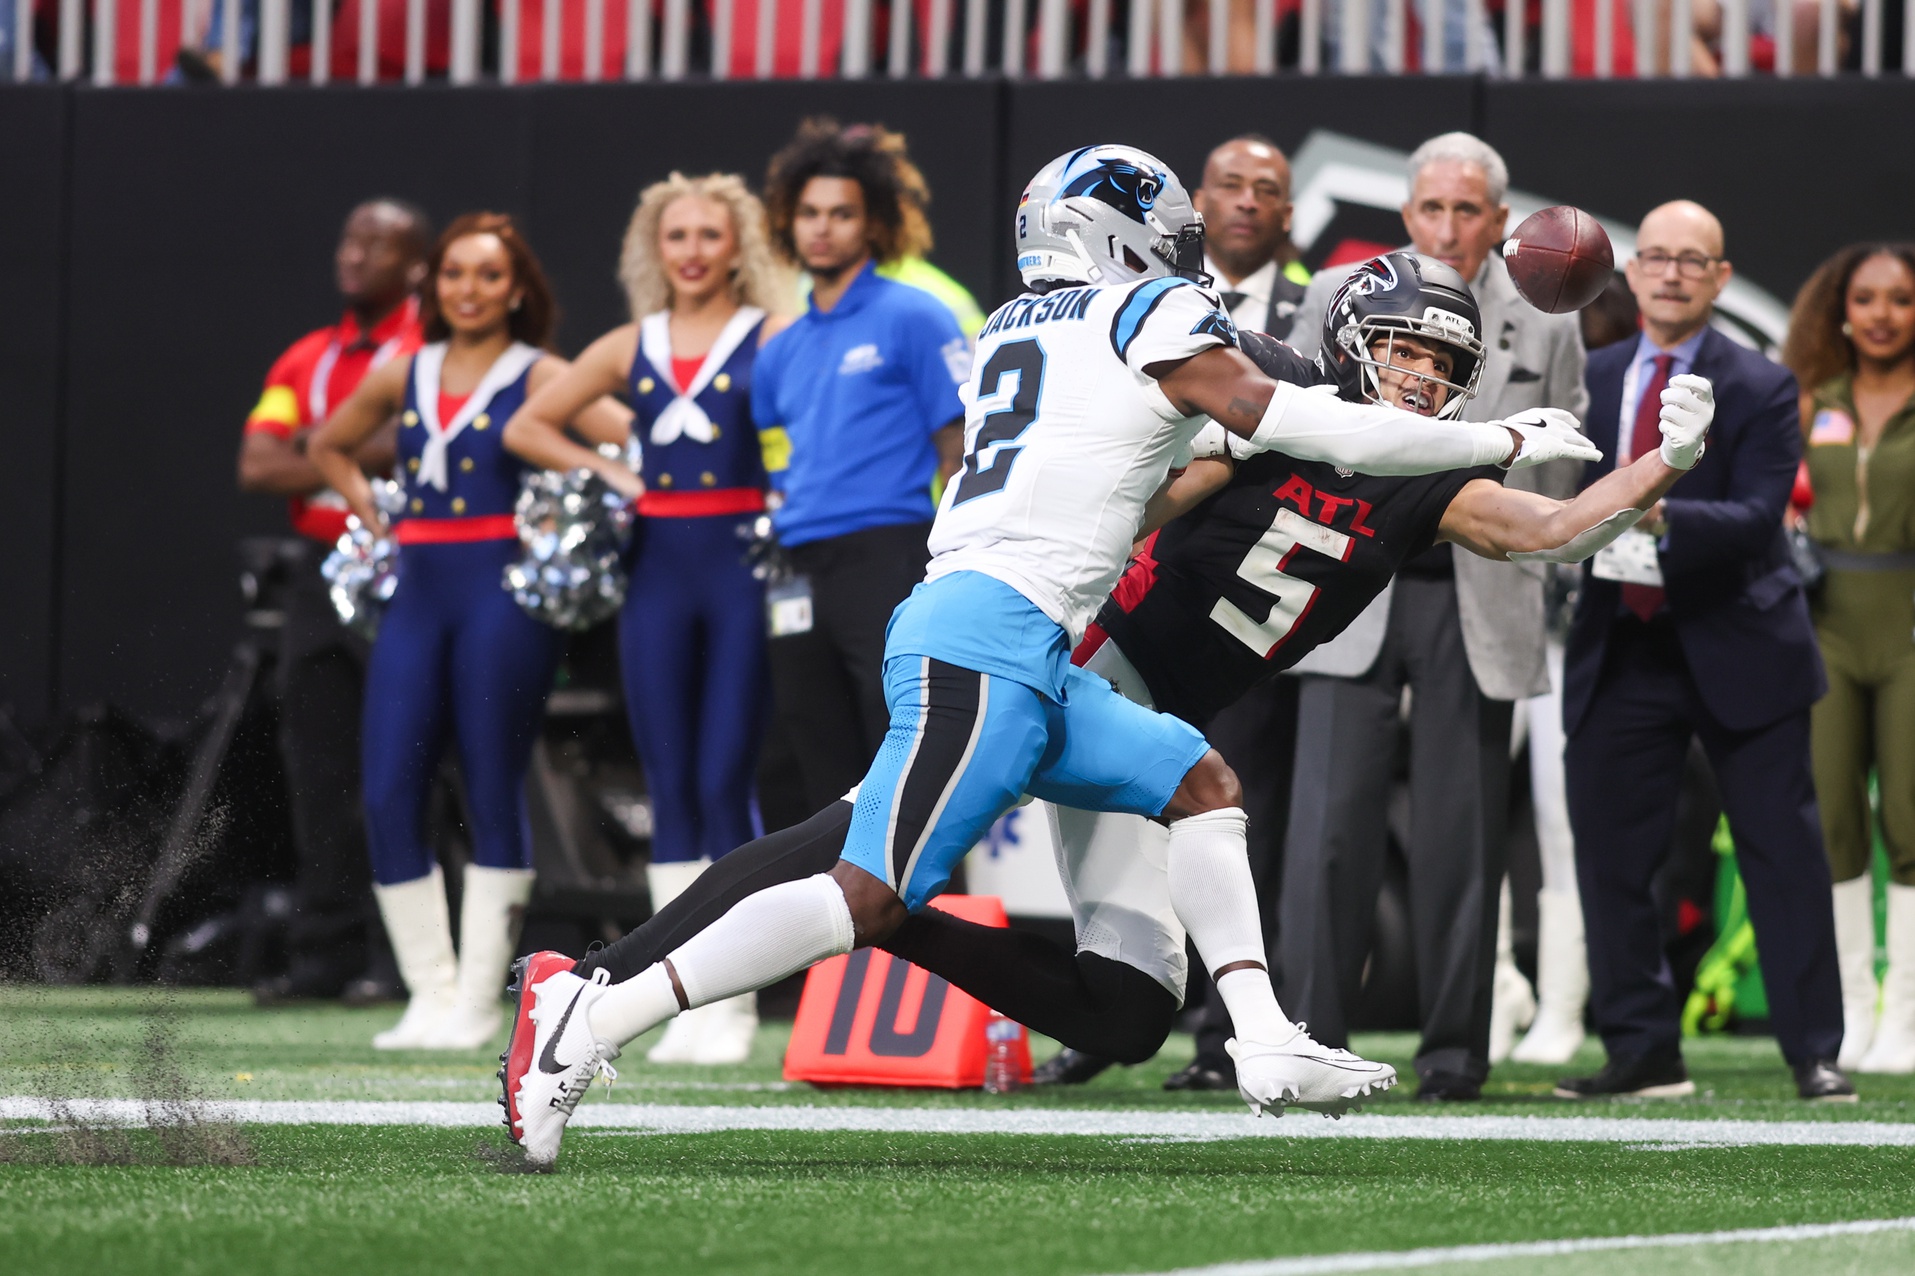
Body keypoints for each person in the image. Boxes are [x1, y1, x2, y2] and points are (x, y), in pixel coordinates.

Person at [502, 144, 1608, 1168]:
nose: (1183, 246)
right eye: (1163, 225)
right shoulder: (1154, 309)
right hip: (995, 631)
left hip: (1016, 633)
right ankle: (591, 1013)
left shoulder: (1016, 324)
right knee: (862, 890)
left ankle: (1265, 1034)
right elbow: (1306, 425)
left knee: (1197, 781)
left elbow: (1181, 456)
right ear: (1117, 236)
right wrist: (1496, 435)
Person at [1278, 133, 1588, 1101]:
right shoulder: (1337, 294)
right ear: (1406, 214)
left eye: (1468, 210)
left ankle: (1455, 1054)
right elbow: (1283, 424)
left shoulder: (1545, 314)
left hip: (1477, 587)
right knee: (1327, 829)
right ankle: (1305, 1039)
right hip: (1348, 579)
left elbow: (1565, 462)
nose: (1448, 227)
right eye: (1431, 208)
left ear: (1499, 220)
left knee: (1464, 834)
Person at [309, 213, 630, 1051]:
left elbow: (632, 440)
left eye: (488, 276)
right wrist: (369, 510)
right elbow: (328, 444)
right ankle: (431, 993)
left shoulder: (542, 372)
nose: (469, 290)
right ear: (433, 285)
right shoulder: (403, 371)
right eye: (454, 274)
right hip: (417, 591)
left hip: (503, 597)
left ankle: (480, 999)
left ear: (517, 289)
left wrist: (600, 491)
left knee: (492, 783)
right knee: (387, 787)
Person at [1556, 200, 1851, 1102]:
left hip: (1739, 636)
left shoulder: (1759, 383)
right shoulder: (1591, 374)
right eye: (1656, 257)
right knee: (1609, 854)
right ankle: (1641, 1050)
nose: (1673, 272)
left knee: (1780, 852)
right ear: (1632, 273)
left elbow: (1760, 519)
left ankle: (1813, 1053)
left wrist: (1648, 506)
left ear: (1720, 278)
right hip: (1621, 641)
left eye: (1694, 259)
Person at [503, 174, 794, 1066]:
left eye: (711, 235)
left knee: (724, 778)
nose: (694, 251)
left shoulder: (773, 334)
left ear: (739, 246)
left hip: (741, 571)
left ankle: (733, 1003)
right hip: (658, 571)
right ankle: (683, 998)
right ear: (653, 249)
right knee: (669, 780)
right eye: (678, 237)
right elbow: (529, 426)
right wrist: (623, 477)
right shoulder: (632, 342)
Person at [237, 198, 430, 1006]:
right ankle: (323, 953)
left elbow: (426, 441)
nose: (353, 254)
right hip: (323, 570)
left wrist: (322, 447)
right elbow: (258, 463)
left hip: (414, 566)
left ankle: (404, 958)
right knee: (317, 766)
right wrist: (351, 449)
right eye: (350, 238)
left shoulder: (432, 350)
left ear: (416, 267)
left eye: (376, 244)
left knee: (409, 767)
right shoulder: (303, 358)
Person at [751, 119, 971, 816]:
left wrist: (956, 558)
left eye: (841, 214)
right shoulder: (778, 348)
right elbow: (777, 465)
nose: (822, 229)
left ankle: (919, 918)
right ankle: (829, 922)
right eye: (809, 214)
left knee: (900, 745)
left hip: (889, 552)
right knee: (810, 747)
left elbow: (961, 445)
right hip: (795, 564)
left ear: (874, 224)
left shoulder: (917, 315)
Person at [1783, 242, 1915, 1074]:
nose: (1880, 314)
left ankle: (1903, 1016)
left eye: (1899, 300)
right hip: (1824, 624)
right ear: (1841, 310)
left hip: (1907, 629)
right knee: (1831, 821)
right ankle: (1848, 1017)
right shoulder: (1810, 401)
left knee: (1908, 822)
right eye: (1865, 299)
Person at [1193, 135, 1310, 342]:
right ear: (1199, 203)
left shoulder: (1317, 317)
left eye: (1266, 191)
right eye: (1230, 185)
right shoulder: (1147, 303)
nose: (1248, 203)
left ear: (1287, 215)